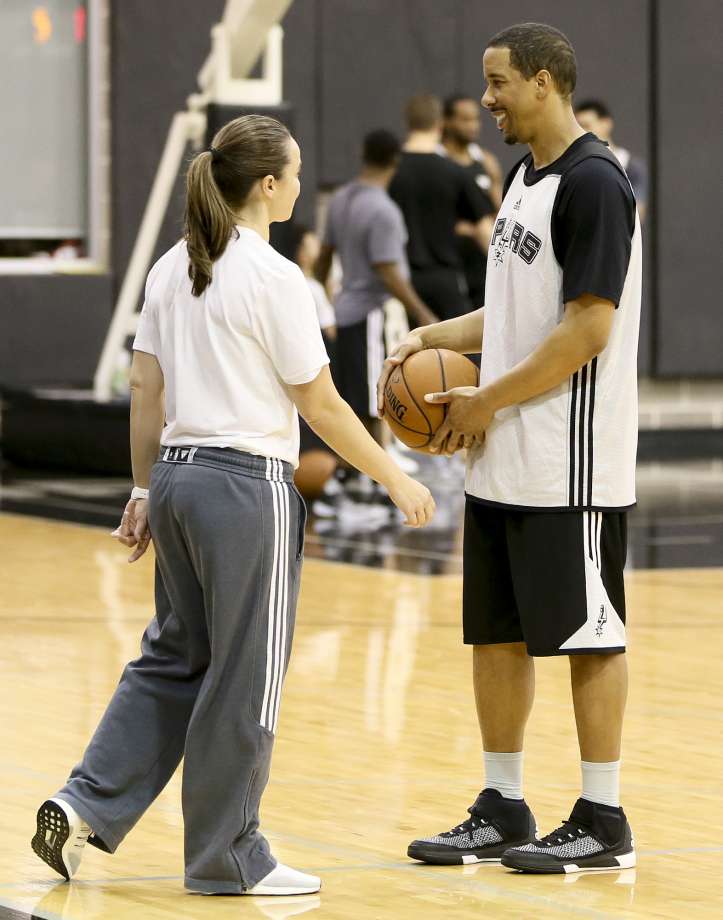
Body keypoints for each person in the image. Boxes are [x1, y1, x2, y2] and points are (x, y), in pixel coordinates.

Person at [31, 115, 435, 896]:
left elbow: (145, 391)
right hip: (246, 486)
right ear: (269, 185)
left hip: (178, 478)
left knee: (171, 659)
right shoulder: (277, 279)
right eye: (294, 169)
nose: (298, 179)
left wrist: (145, 487)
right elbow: (320, 405)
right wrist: (395, 473)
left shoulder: (168, 268)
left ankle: (80, 804)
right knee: (244, 677)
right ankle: (228, 856)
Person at [379, 22, 641, 875]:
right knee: (494, 635)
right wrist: (429, 336)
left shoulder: (596, 182)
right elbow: (514, 312)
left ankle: (601, 816)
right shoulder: (525, 177)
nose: (484, 99)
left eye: (497, 84)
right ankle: (502, 804)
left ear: (541, 81)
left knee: (589, 636)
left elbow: (588, 327)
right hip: (503, 458)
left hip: (571, 462)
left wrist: (485, 398)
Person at [315, 129, 436, 448]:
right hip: (372, 311)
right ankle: (370, 476)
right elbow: (388, 272)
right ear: (395, 161)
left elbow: (323, 258)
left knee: (353, 394)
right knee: (374, 396)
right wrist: (424, 314)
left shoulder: (340, 198)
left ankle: (355, 472)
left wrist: (323, 303)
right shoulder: (384, 210)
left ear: (363, 155)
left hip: (344, 308)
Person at [388, 94, 493, 321]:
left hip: (402, 282)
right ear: (440, 124)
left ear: (408, 123)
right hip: (446, 281)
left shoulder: (390, 172)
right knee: (460, 353)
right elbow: (486, 229)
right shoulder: (455, 172)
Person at [441, 93, 502, 307]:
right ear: (446, 121)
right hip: (448, 262)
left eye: (476, 119)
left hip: (482, 262)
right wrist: (463, 229)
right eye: (465, 120)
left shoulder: (485, 161)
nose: (473, 126)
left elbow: (500, 211)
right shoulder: (437, 162)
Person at [575, 99, 648, 221]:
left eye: (586, 126)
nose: (582, 132)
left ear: (606, 123)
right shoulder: (576, 166)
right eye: (578, 127)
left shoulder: (632, 166)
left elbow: (637, 212)